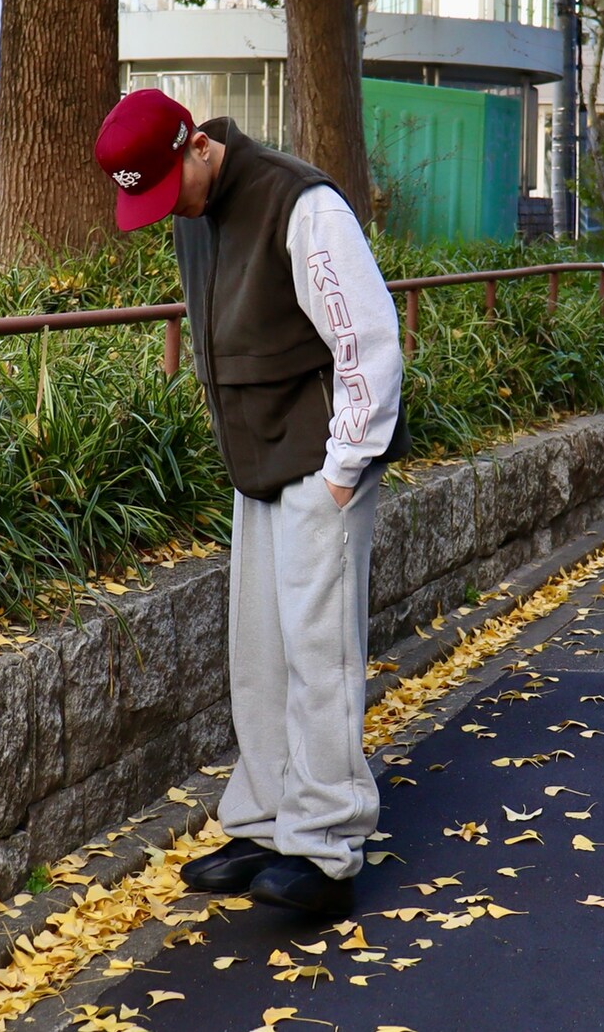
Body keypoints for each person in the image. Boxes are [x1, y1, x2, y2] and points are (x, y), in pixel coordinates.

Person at [95, 89, 410, 917]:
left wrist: (345, 467)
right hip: (257, 462)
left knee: (319, 656)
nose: (172, 209)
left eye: (171, 187)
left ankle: (328, 842)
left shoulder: (298, 202)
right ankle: (268, 820)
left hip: (319, 460)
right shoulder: (192, 211)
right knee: (261, 654)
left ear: (196, 144)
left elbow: (368, 340)